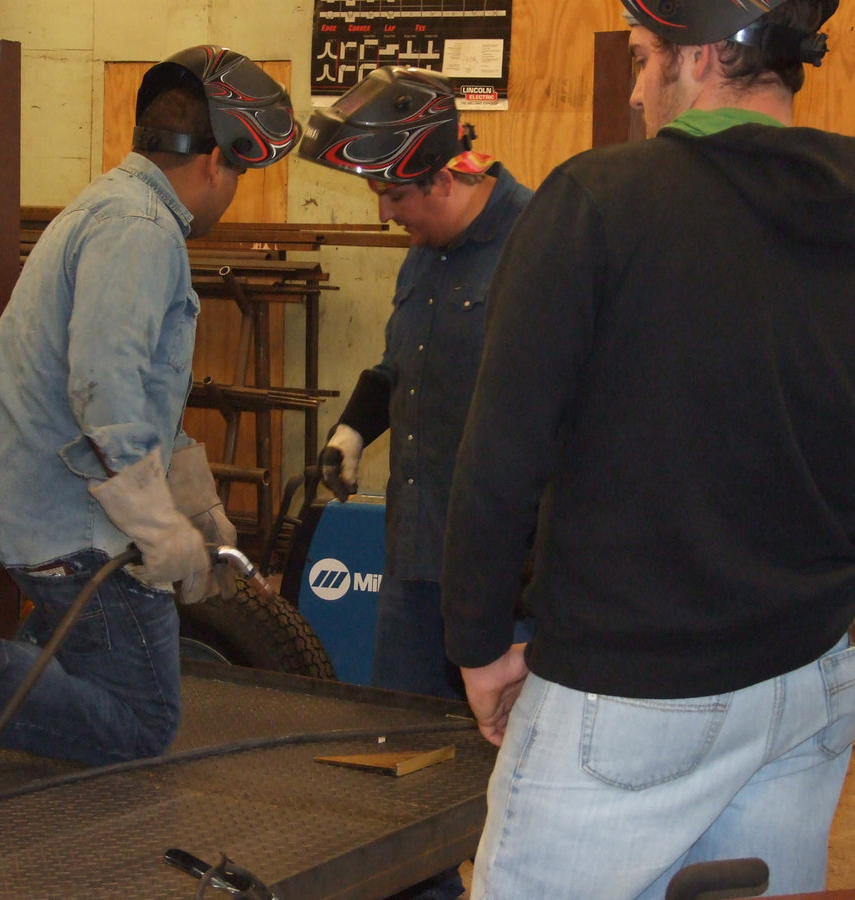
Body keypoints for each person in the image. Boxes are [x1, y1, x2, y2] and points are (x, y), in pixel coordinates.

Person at [440, 1, 855, 897]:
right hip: (813, 686)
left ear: (703, 55)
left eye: (641, 59)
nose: (634, 92)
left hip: (633, 685)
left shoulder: (597, 202)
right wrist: (843, 633)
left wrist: (477, 646)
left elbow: (500, 459)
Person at [0, 45, 298, 766]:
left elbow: (144, 392)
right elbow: (105, 391)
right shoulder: (142, 232)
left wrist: (196, 507)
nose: (232, 190)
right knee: (142, 721)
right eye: (240, 173)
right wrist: (155, 525)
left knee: (83, 667)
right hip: (70, 524)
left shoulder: (112, 204)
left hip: (29, 504)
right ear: (215, 162)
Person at [298, 66, 533, 900]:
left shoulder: (539, 248)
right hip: (414, 559)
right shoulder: (421, 256)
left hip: (509, 577)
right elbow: (403, 364)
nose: (385, 214)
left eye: (395, 197)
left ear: (440, 174)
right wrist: (355, 427)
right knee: (396, 767)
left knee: (515, 776)